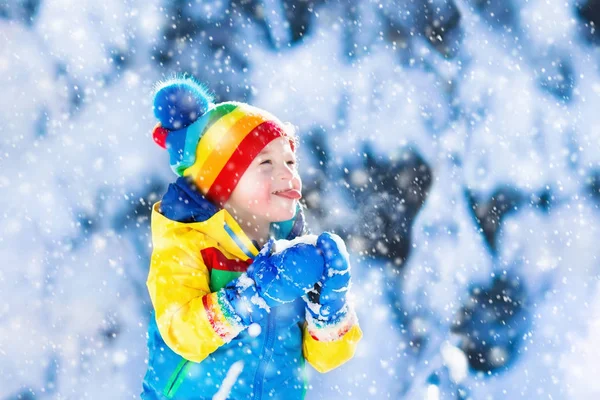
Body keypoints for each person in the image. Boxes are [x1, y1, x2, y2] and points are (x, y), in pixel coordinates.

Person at [141, 76, 362, 400]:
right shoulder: (188, 243)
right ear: (223, 183)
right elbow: (182, 334)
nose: (287, 174)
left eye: (290, 161)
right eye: (266, 163)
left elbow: (326, 359)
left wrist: (329, 307)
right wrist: (252, 293)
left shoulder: (293, 251)